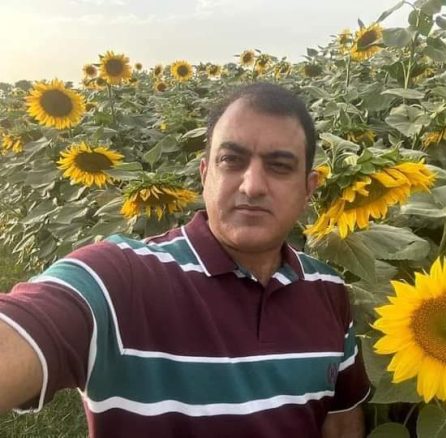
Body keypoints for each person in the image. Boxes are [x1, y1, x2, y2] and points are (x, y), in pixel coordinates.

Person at [0, 82, 370, 437]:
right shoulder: (123, 278)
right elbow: (35, 321)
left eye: (280, 166)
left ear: (308, 189)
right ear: (205, 174)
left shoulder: (328, 290)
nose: (253, 185)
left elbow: (340, 423)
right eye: (231, 160)